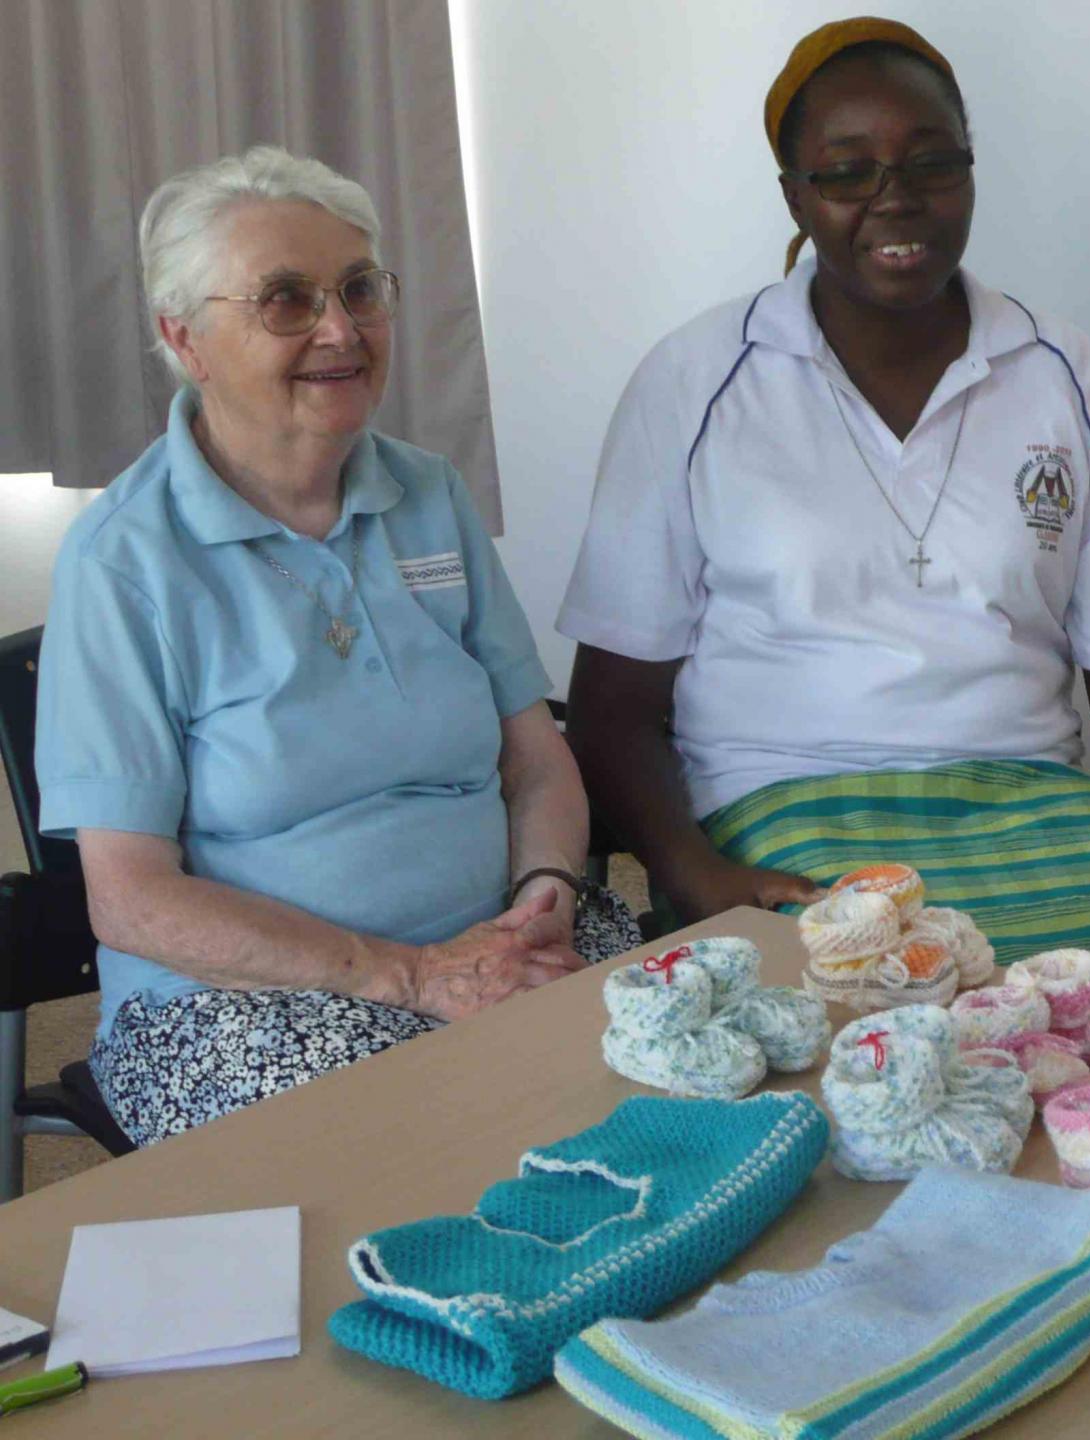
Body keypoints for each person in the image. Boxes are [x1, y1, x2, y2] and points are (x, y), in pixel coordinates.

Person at [561, 18, 1090, 1015]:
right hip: (784, 797)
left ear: (969, 169)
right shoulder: (697, 380)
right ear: (794, 193)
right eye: (847, 172)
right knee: (893, 1001)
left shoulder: (1061, 372)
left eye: (930, 163)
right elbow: (613, 704)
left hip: (1031, 797)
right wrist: (694, 872)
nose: (895, 199)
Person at [35, 147, 645, 1146]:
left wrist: (545, 893)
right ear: (182, 338)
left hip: (500, 948)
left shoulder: (428, 494)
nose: (340, 330)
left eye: (360, 290)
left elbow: (534, 755)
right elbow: (132, 900)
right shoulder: (125, 562)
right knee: (444, 1155)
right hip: (240, 1006)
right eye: (286, 300)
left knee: (695, 1081)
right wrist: (408, 975)